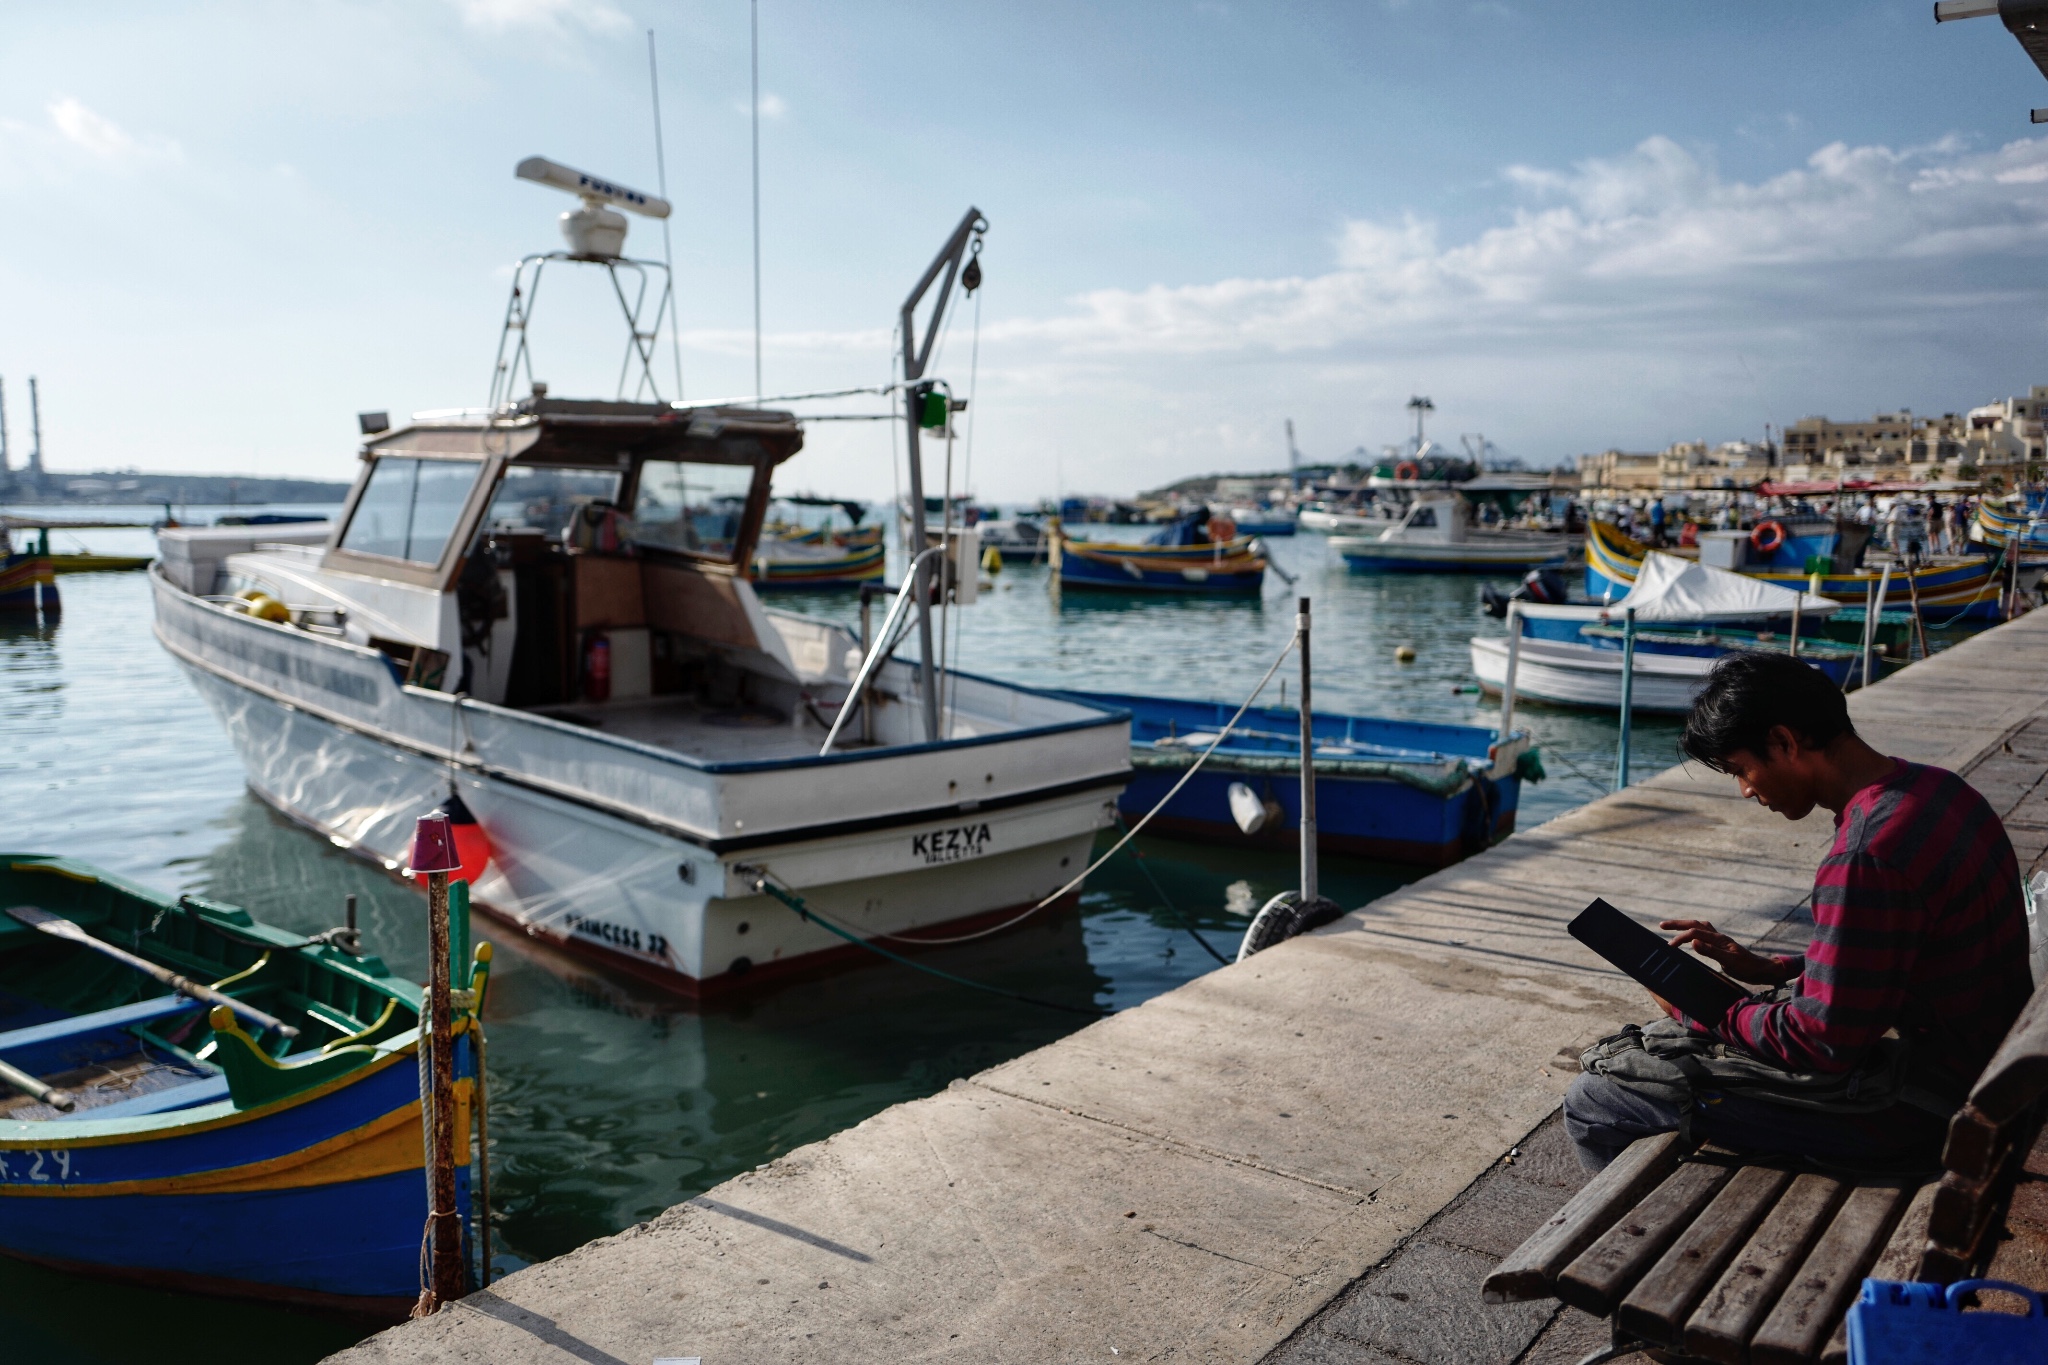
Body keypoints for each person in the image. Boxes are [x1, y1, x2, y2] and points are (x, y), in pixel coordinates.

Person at [1564, 651, 2032, 1172]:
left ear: (1785, 742)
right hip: (1985, 1067)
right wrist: (1774, 969)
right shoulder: (1940, 790)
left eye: (1741, 769)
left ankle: (1637, 1230)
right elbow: (1901, 950)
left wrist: (1697, 1009)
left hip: (1924, 1104)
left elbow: (1817, 1044)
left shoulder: (1865, 855)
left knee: (1594, 1097)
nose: (1746, 790)